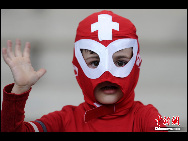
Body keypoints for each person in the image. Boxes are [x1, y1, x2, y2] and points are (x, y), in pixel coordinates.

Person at [1, 10, 166, 132]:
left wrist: (168, 125)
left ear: (136, 64)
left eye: (120, 62)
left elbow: (168, 126)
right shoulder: (64, 120)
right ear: (77, 68)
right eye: (94, 63)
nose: (106, 75)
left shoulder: (146, 116)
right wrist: (19, 91)